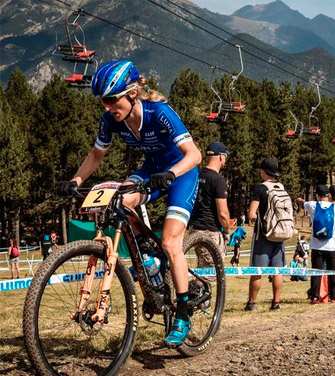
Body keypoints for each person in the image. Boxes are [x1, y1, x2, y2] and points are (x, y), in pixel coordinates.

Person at [56, 60, 202, 347]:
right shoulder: (110, 120)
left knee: (172, 243)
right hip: (152, 169)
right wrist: (75, 181)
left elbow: (194, 154)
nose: (107, 108)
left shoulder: (159, 113)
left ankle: (183, 312)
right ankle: (146, 257)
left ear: (132, 93)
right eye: (102, 102)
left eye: (111, 100)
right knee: (118, 200)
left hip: (181, 172)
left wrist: (172, 173)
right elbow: (96, 155)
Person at [246, 158, 288, 311]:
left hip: (263, 234)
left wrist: (255, 218)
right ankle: (276, 303)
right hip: (280, 234)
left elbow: (251, 214)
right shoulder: (282, 188)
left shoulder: (260, 189)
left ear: (263, 171)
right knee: (277, 271)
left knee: (257, 270)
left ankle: (252, 303)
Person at [299, 185, 335, 304]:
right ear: (329, 195)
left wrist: (299, 200)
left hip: (316, 245)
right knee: (333, 272)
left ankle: (314, 296)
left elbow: (302, 202)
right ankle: (334, 297)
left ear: (317, 195)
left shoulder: (312, 205)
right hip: (333, 245)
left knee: (316, 272)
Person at [189, 141, 231, 270]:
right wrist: (227, 230)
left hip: (195, 228)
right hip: (211, 231)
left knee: (202, 270)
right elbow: (223, 213)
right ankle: (192, 290)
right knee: (212, 273)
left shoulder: (197, 174)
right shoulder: (218, 180)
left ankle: (196, 289)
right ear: (221, 157)